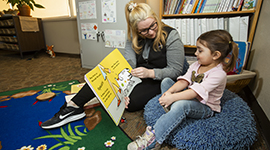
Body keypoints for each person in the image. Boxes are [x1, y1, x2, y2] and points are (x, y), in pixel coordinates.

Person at [40, 1, 187, 129]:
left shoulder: (171, 35)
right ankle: (73, 106)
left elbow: (175, 70)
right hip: (140, 74)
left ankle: (81, 105)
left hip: (162, 77)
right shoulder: (132, 37)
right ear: (136, 30)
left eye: (153, 25)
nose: (151, 32)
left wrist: (149, 74)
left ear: (155, 18)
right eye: (144, 30)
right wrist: (122, 86)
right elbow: (128, 64)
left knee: (130, 104)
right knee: (102, 74)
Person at [127, 29, 239, 150]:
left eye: (200, 50)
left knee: (181, 105)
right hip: (191, 97)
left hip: (205, 107)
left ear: (216, 55)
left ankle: (154, 139)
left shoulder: (219, 74)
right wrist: (169, 92)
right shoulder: (197, 64)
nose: (196, 53)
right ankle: (173, 110)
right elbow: (184, 81)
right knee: (166, 82)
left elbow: (194, 92)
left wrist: (173, 98)